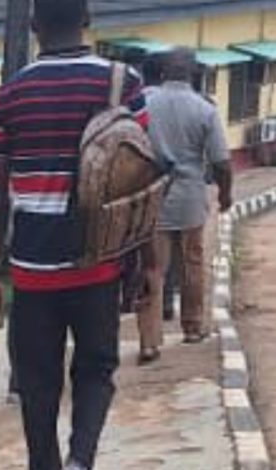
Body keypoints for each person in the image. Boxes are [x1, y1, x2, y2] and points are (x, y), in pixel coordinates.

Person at [0, 0, 149, 468]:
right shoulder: (123, 85)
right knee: (96, 370)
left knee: (37, 382)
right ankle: (80, 460)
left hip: (32, 272)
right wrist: (144, 261)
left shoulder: (7, 97)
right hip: (99, 264)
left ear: (33, 25)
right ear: (88, 19)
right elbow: (140, 182)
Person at [135, 49, 233, 364]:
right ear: (192, 74)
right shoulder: (204, 109)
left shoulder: (144, 104)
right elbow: (222, 162)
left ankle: (149, 342)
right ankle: (192, 327)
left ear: (162, 73)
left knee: (153, 268)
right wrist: (225, 195)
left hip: (154, 197)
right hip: (191, 197)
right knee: (193, 262)